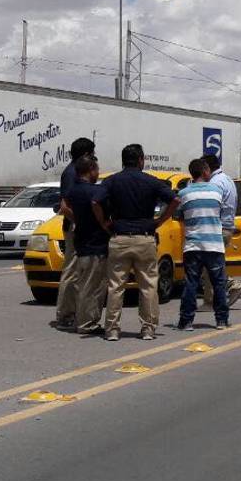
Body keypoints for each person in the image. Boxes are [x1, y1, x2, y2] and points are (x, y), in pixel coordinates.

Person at [93, 143, 179, 341]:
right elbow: (175, 200)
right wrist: (159, 220)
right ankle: (148, 328)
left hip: (119, 238)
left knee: (116, 286)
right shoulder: (151, 181)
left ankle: (112, 329)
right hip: (145, 238)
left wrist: (104, 223)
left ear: (123, 161)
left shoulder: (111, 181)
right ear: (141, 160)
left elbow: (95, 201)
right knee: (148, 285)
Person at [176, 158, 230, 330]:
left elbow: (179, 215)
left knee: (191, 283)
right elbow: (221, 213)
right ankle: (221, 320)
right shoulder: (217, 191)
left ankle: (186, 321)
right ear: (206, 171)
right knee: (218, 283)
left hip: (193, 245)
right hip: (214, 245)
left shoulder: (183, 194)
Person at [55, 137, 96, 329]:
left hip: (76, 226)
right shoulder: (72, 173)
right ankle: (65, 315)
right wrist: (82, 221)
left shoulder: (72, 171)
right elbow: (65, 206)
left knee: (78, 271)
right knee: (71, 271)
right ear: (86, 154)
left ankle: (76, 312)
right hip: (74, 227)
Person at [64, 156, 108, 334]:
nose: (98, 173)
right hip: (96, 243)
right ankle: (87, 323)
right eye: (96, 169)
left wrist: (78, 220)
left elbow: (64, 207)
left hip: (81, 242)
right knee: (94, 287)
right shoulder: (95, 192)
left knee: (84, 284)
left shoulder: (73, 191)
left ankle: (81, 320)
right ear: (90, 169)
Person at [200, 153, 241, 306]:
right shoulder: (227, 179)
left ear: (207, 167)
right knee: (210, 264)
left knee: (210, 265)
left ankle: (223, 292)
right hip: (226, 227)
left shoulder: (215, 183)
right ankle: (218, 296)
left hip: (217, 228)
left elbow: (212, 207)